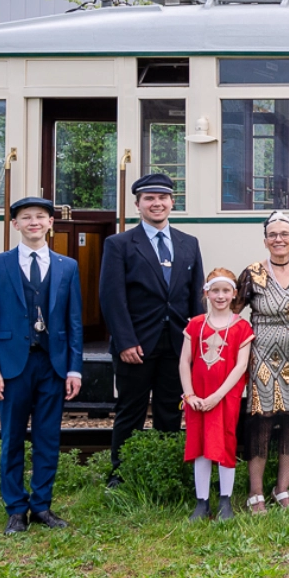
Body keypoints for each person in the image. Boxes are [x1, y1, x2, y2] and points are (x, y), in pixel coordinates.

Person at [0, 197, 83, 535]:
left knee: (48, 437)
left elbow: (74, 322)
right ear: (15, 225)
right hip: (11, 367)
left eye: (40, 216)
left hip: (52, 365)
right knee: (10, 438)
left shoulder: (67, 266)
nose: (34, 222)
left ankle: (41, 506)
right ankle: (15, 510)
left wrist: (74, 368)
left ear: (51, 222)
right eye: (26, 217)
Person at [100, 172, 204, 488]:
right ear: (138, 204)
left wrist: (195, 343)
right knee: (130, 411)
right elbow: (111, 297)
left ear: (172, 202)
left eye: (162, 198)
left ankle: (166, 470)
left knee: (169, 413)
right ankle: (122, 474)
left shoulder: (189, 243)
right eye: (149, 199)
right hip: (136, 346)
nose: (156, 204)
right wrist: (124, 341)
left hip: (176, 345)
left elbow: (196, 297)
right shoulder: (119, 244)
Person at [238, 211, 289, 514]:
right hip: (263, 355)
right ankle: (255, 492)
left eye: (284, 234)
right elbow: (234, 312)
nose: (279, 239)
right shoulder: (252, 273)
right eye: (272, 235)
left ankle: (282, 490)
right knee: (261, 422)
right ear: (265, 241)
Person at [180, 268, 253, 522]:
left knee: (224, 444)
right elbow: (184, 362)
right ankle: (202, 503)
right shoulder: (196, 325)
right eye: (215, 291)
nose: (220, 296)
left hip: (224, 399)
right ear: (206, 293)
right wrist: (189, 395)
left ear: (234, 294)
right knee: (200, 447)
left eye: (225, 291)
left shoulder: (241, 327)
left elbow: (240, 366)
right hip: (197, 399)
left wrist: (217, 396)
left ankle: (225, 501)